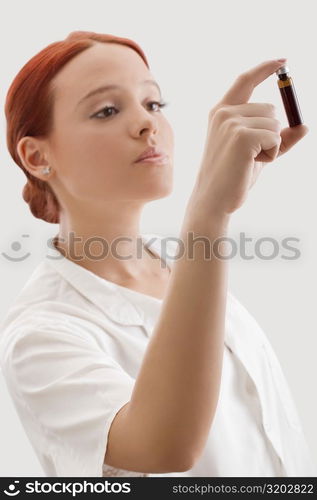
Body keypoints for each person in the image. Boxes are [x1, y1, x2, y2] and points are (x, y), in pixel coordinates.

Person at [0, 30, 315, 478]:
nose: (148, 125)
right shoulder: (41, 333)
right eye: (107, 110)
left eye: (153, 104)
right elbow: (163, 448)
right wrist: (208, 214)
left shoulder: (180, 274)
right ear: (36, 156)